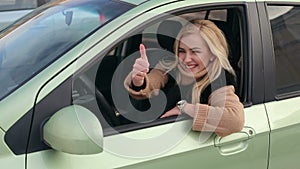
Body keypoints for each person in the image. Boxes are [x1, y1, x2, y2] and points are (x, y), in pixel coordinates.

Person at [124, 20, 244, 137]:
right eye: (181, 51)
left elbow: (234, 121)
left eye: (195, 52)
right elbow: (152, 83)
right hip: (139, 130)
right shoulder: (169, 65)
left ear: (212, 54)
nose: (186, 59)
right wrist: (139, 80)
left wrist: (185, 108)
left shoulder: (218, 80)